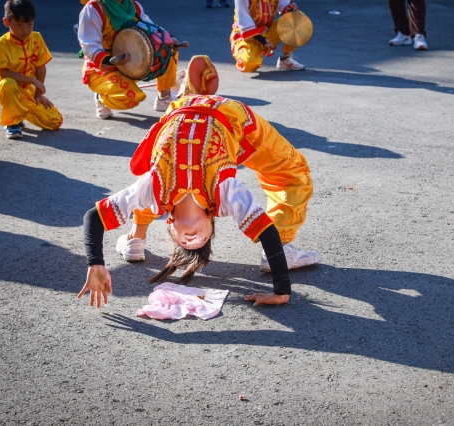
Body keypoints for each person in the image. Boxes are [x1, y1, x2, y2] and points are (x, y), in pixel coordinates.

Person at [77, 94, 321, 308]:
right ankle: (282, 248)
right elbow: (266, 231)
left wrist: (95, 264)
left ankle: (136, 237)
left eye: (184, 241)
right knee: (292, 169)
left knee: (143, 187)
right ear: (212, 216)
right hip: (232, 115)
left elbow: (94, 217)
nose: (192, 238)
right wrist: (281, 291)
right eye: (201, 239)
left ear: (169, 221)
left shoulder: (155, 190)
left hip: (180, 109)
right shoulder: (224, 194)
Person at [77, 0, 181, 118]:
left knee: (168, 49)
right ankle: (101, 96)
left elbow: (150, 26)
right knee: (134, 96)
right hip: (103, 70)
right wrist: (110, 60)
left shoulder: (133, 5)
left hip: (130, 64)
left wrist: (169, 38)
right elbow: (89, 45)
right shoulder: (94, 8)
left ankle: (164, 97)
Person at [0, 0, 63, 139]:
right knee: (8, 84)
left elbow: (40, 67)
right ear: (6, 22)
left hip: (27, 89)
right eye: (19, 25)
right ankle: (12, 124)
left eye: (29, 24)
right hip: (4, 88)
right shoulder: (0, 44)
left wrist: (38, 94)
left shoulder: (36, 38)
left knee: (54, 121)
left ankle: (17, 110)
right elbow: (4, 74)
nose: (25, 30)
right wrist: (32, 80)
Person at [230, 0, 306, 72]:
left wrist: (290, 10)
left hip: (267, 32)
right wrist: (261, 39)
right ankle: (251, 52)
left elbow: (284, 4)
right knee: (249, 64)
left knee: (297, 17)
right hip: (246, 37)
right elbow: (243, 18)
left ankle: (286, 58)